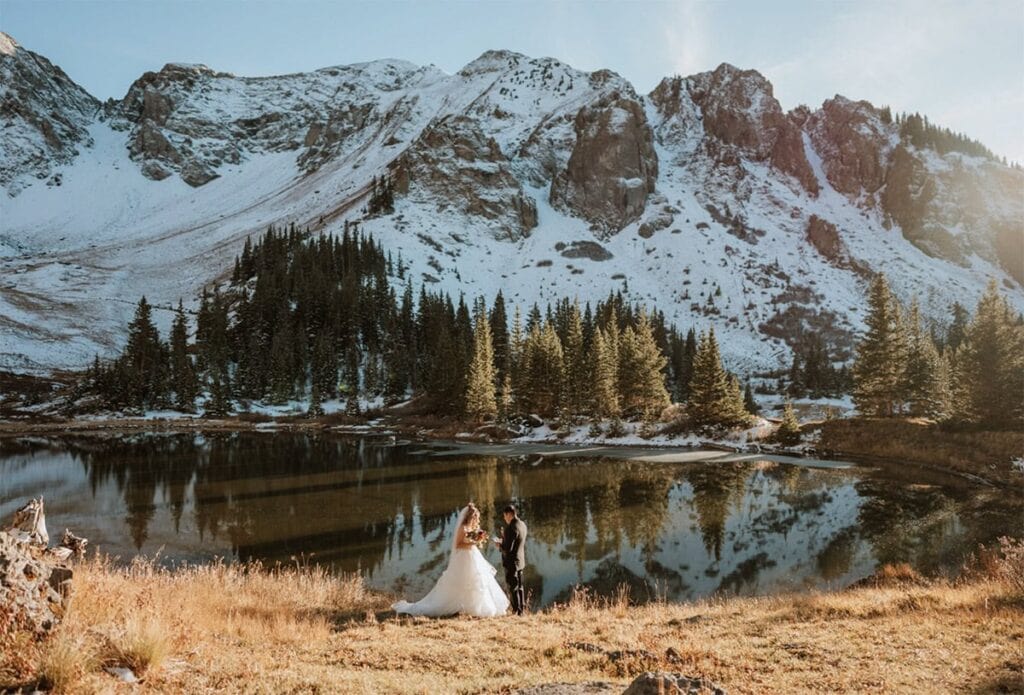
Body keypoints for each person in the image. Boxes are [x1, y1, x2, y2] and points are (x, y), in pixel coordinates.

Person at [392, 503, 509, 618]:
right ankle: (458, 605)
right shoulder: (463, 528)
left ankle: (474, 607)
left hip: (471, 555)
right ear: (470, 517)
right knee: (463, 581)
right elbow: (458, 545)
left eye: (477, 518)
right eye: (475, 517)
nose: (476, 520)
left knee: (476, 580)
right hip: (463, 557)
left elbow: (468, 542)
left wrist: (477, 539)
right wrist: (475, 542)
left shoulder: (471, 528)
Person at [495, 503, 527, 615]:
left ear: (509, 515)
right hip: (520, 561)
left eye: (505, 516)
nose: (504, 519)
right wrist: (505, 538)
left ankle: (516, 611)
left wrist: (500, 545)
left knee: (513, 587)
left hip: (511, 563)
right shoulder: (522, 524)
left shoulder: (511, 528)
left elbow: (507, 549)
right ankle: (521, 609)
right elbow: (516, 541)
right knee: (520, 586)